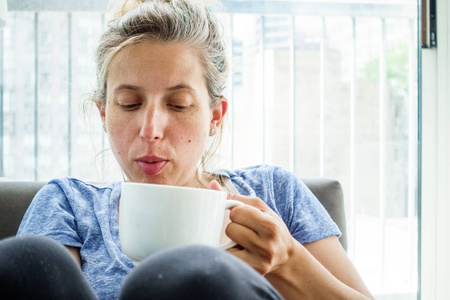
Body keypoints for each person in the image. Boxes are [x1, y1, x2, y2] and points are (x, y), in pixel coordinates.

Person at [2, 0, 374, 299]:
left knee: (193, 274)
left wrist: (288, 263)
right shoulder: (68, 204)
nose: (150, 130)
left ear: (215, 115)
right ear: (103, 114)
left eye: (178, 105)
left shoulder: (275, 194)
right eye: (130, 104)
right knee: (30, 259)